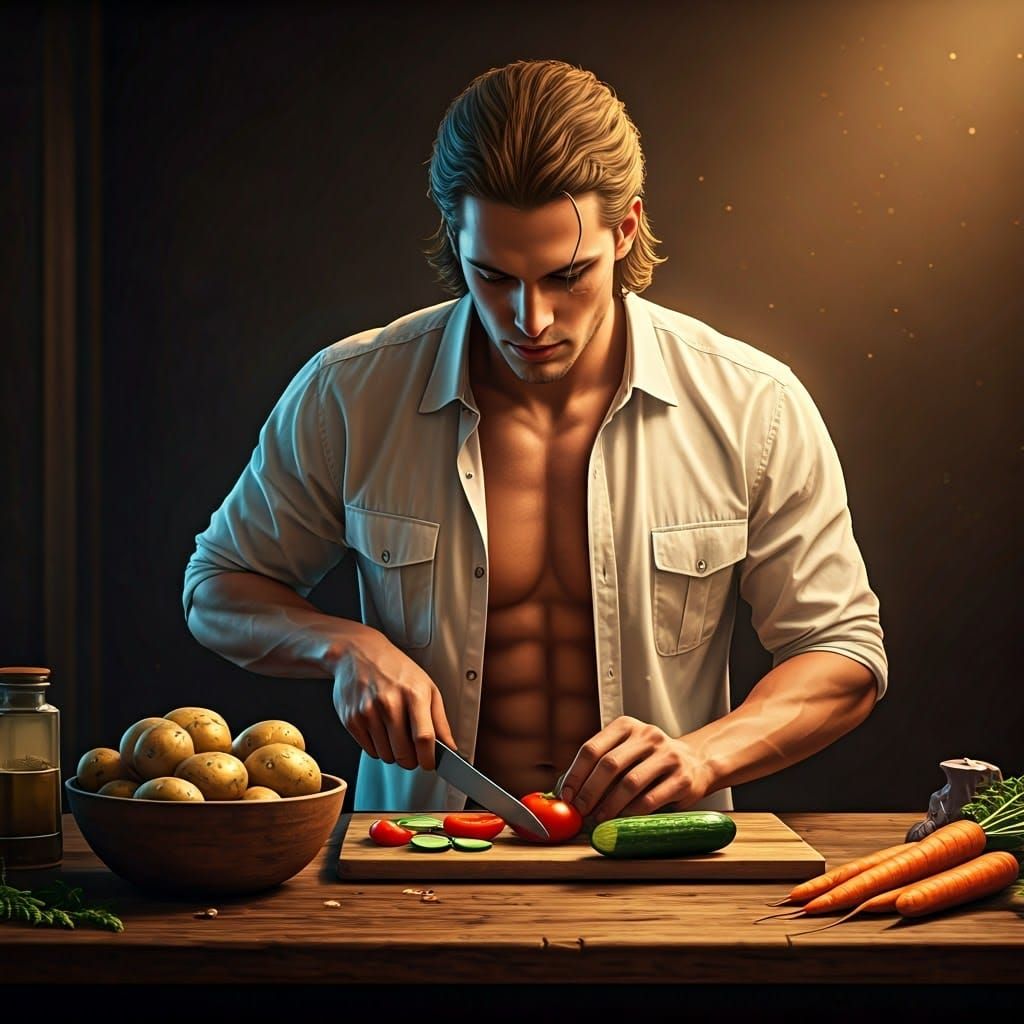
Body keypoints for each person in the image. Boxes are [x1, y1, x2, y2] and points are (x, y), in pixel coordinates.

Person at [183, 59, 887, 823]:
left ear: (626, 231)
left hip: (654, 869)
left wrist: (704, 755)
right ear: (455, 239)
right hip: (420, 863)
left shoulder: (756, 405)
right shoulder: (349, 394)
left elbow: (843, 653)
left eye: (567, 276)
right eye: (493, 276)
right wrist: (345, 646)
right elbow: (217, 589)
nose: (532, 320)